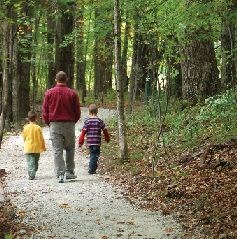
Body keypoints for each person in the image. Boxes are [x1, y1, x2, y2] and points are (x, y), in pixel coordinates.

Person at [42, 71, 81, 183]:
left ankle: (60, 174)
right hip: (69, 124)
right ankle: (69, 172)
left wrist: (48, 122)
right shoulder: (72, 94)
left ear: (56, 80)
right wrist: (73, 121)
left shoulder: (49, 93)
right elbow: (77, 111)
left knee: (57, 150)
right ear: (66, 79)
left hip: (55, 124)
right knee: (70, 148)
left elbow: (45, 110)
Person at [78, 104, 110, 174]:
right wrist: (107, 138)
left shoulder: (87, 121)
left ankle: (93, 167)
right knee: (95, 155)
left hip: (89, 142)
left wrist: (81, 141)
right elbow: (105, 130)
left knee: (93, 154)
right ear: (97, 111)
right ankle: (91, 169)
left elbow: (83, 132)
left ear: (89, 112)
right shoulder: (99, 121)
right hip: (96, 141)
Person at [22, 111, 46, 180]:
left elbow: (24, 137)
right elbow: (41, 139)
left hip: (28, 148)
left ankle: (32, 173)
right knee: (35, 161)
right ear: (36, 118)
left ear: (28, 119)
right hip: (36, 148)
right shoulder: (38, 128)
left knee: (30, 161)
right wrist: (43, 147)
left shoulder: (25, 128)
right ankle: (32, 173)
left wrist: (25, 142)